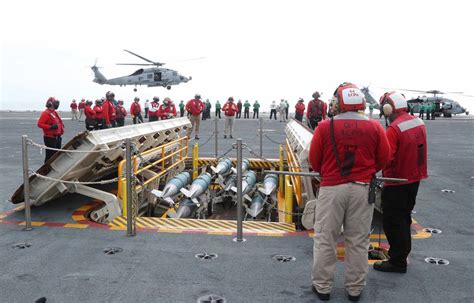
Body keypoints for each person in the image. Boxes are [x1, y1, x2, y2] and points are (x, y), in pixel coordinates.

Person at [308, 83, 390, 302]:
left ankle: (323, 287)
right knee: (358, 241)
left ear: (338, 103)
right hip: (362, 191)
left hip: (332, 189)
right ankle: (354, 289)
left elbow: (314, 161)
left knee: (326, 238)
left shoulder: (325, 127)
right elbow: (384, 157)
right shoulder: (375, 127)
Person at [374, 92, 428, 274]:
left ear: (389, 107)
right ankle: (402, 253)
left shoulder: (394, 129)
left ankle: (397, 261)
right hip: (414, 179)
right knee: (404, 218)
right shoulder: (418, 122)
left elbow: (385, 158)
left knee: (392, 220)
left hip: (396, 181)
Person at [37, 97, 65, 163]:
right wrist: (50, 127)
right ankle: (46, 170)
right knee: (50, 156)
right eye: (55, 103)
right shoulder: (46, 113)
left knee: (56, 155)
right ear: (50, 104)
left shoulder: (54, 112)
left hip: (57, 137)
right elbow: (40, 124)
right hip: (50, 138)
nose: (57, 105)